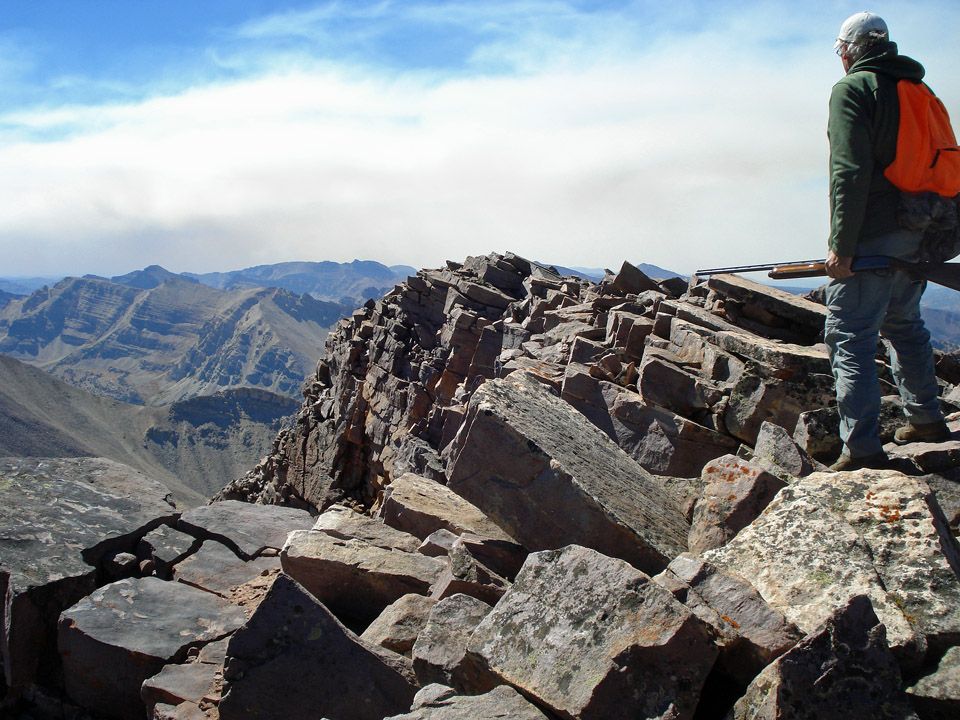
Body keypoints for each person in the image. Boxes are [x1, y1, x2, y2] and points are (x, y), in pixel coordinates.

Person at [825, 11, 950, 472]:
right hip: (922, 232)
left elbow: (849, 172)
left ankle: (860, 450)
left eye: (839, 50)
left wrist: (842, 244)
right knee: (904, 325)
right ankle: (927, 419)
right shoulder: (920, 90)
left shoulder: (854, 89)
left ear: (848, 50)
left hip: (874, 233)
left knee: (848, 336)